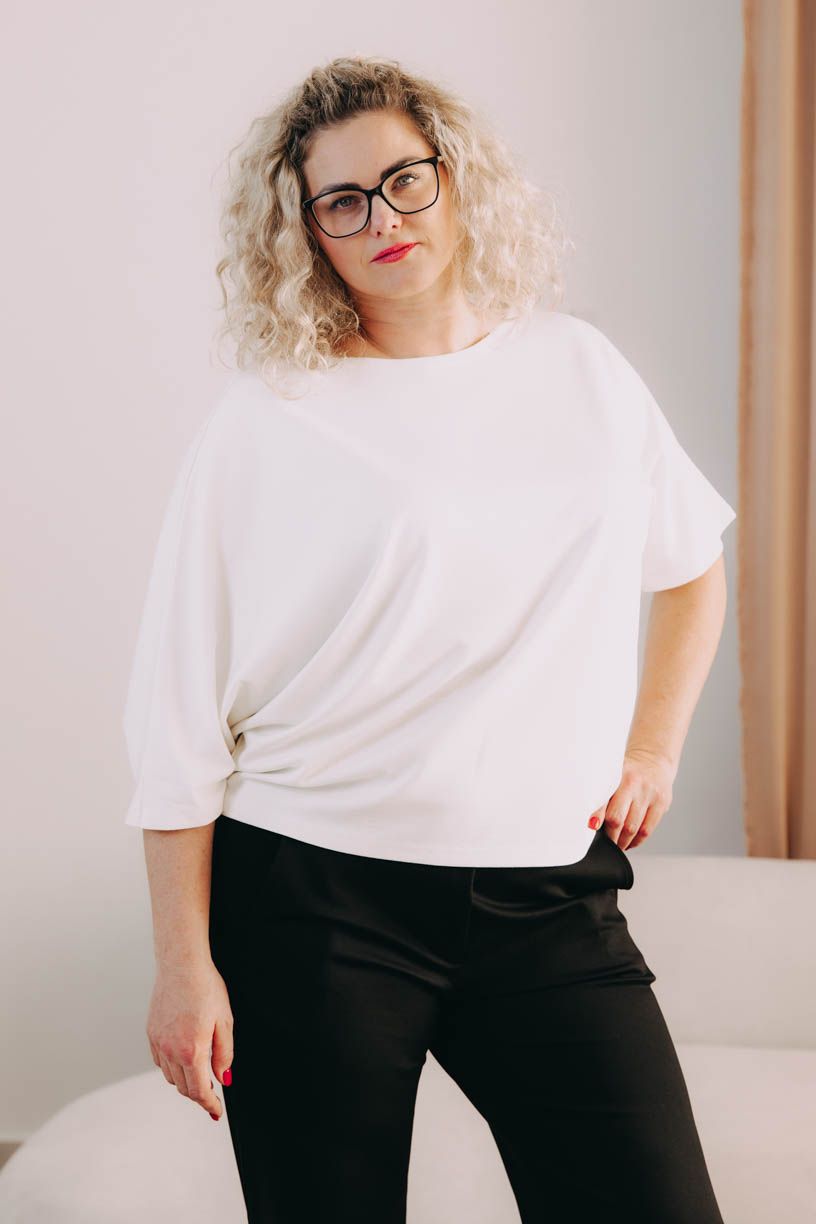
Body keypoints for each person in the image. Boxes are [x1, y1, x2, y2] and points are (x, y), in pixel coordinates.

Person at [122, 54, 735, 1224]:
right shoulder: (267, 421)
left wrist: (653, 751)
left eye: (405, 180)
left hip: (547, 896)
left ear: (455, 178)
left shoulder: (579, 370)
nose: (383, 220)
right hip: (316, 901)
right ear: (306, 232)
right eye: (342, 202)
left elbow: (692, 565)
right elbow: (177, 717)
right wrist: (182, 964)